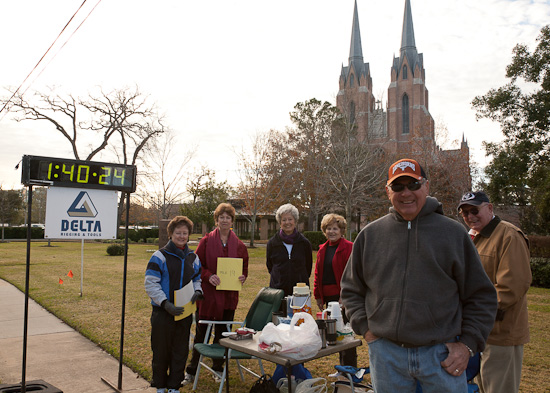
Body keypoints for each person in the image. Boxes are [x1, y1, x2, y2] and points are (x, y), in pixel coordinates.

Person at [341, 158, 498, 393]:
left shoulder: (453, 233)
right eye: (398, 187)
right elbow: (351, 290)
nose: (406, 193)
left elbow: (481, 296)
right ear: (388, 191)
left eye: (413, 185)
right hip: (387, 355)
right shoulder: (370, 235)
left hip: (441, 356)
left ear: (426, 186)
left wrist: (466, 345)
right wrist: (367, 330)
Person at [457, 191, 532, 393]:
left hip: (501, 333)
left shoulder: (509, 236)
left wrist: (473, 311)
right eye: (464, 213)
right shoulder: (472, 237)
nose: (470, 216)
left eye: (474, 210)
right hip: (478, 333)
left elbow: (510, 288)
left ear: (489, 208)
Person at [184, 203, 249, 385]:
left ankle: (218, 368)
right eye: (222, 217)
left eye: (228, 217)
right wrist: (208, 275)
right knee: (201, 333)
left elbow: (244, 268)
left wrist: (243, 277)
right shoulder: (205, 242)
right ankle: (192, 370)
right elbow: (196, 265)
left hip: (228, 297)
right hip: (208, 296)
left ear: (232, 221)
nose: (225, 220)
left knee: (223, 335)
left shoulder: (240, 246)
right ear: (217, 220)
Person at [144, 216, 203, 393]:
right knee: (161, 350)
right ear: (171, 234)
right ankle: (161, 386)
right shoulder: (159, 256)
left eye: (185, 233)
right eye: (178, 233)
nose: (182, 236)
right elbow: (150, 283)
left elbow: (197, 279)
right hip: (163, 313)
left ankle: (174, 386)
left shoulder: (193, 257)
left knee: (180, 351)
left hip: (184, 312)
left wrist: (198, 291)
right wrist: (164, 303)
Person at [313, 213, 357, 367]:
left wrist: (344, 296)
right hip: (329, 299)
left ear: (341, 230)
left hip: (344, 299)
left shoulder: (349, 248)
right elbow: (318, 274)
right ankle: (342, 369)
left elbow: (352, 274)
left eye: (335, 228)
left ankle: (350, 369)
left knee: (346, 335)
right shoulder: (322, 249)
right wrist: (318, 296)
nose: (332, 231)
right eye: (329, 228)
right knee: (335, 334)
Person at [266, 203, 313, 297]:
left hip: (300, 291)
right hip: (277, 291)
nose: (287, 222)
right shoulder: (272, 243)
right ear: (280, 222)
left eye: (290, 219)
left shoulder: (304, 243)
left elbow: (308, 267)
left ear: (295, 221)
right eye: (284, 220)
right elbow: (270, 266)